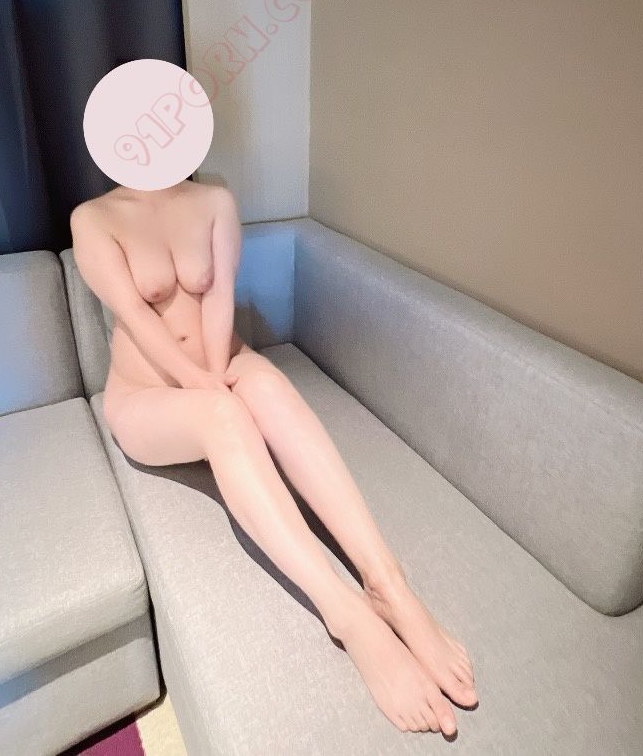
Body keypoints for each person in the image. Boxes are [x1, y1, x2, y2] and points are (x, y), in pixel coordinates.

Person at [70, 178, 477, 735]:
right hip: (146, 396)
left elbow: (220, 297)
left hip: (222, 360)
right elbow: (137, 318)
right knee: (223, 415)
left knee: (270, 389)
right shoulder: (93, 218)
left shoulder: (214, 199)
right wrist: (207, 389)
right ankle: (347, 614)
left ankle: (389, 585)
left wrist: (218, 373)